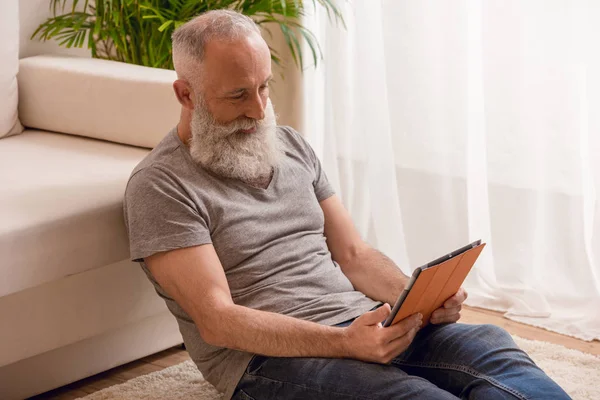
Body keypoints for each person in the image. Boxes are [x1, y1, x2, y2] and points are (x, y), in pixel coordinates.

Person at [123, 10, 570, 400]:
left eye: (264, 88)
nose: (260, 111)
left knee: (490, 345)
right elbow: (217, 320)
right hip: (268, 363)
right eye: (238, 95)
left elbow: (354, 255)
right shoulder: (161, 185)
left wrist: (411, 301)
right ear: (186, 94)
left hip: (360, 326)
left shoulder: (291, 146)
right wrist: (345, 344)